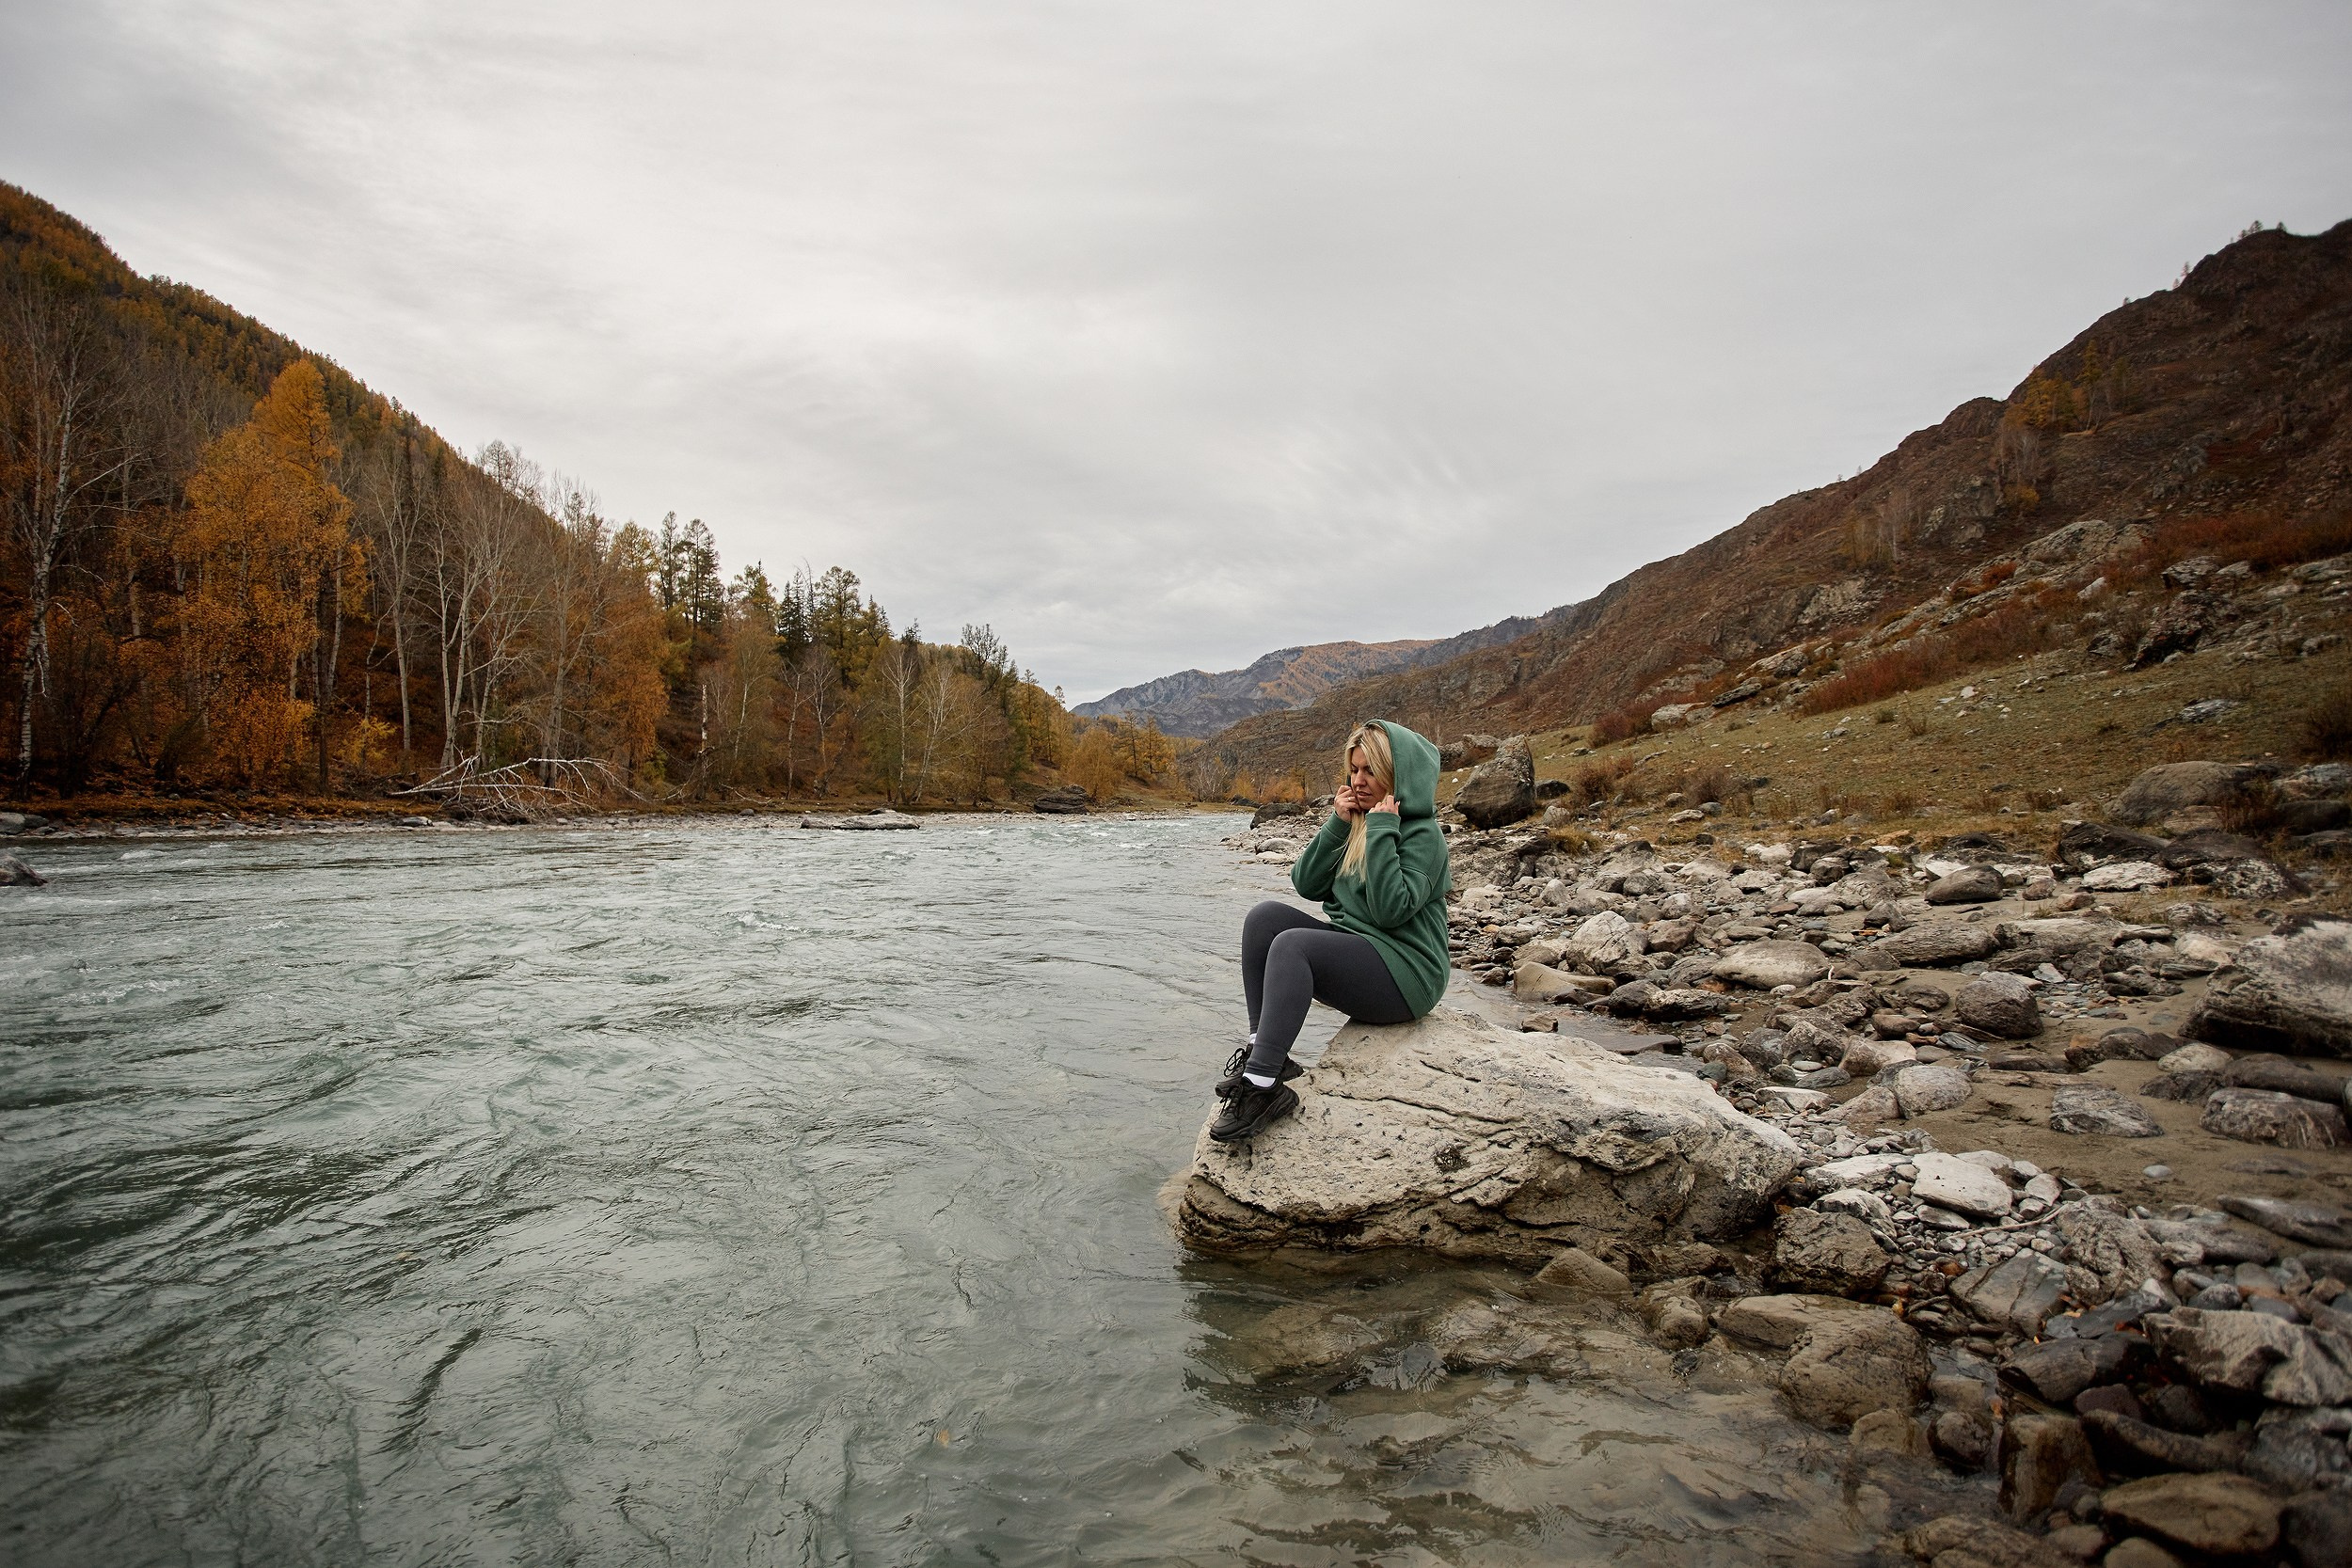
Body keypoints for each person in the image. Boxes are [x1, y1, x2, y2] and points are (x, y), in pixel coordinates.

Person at [1210, 719, 1453, 1143]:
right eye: (1353, 770)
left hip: (1408, 975)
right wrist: (1339, 824)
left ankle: (1262, 1087)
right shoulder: (1357, 820)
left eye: (1370, 771)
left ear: (1397, 776)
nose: (1358, 781)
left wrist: (1381, 831)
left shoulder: (1422, 835)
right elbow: (1307, 884)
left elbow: (1390, 910)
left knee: (1293, 946)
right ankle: (1264, 1054)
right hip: (1363, 951)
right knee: (1264, 919)